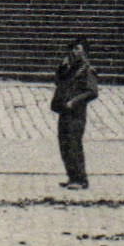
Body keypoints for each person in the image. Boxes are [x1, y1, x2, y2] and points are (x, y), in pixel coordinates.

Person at [50, 36, 98, 190]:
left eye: (78, 49)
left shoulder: (87, 69)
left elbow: (92, 92)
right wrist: (62, 68)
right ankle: (72, 176)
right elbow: (58, 81)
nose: (75, 52)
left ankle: (81, 179)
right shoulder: (70, 68)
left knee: (74, 144)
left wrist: (74, 102)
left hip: (76, 112)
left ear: (84, 52)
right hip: (64, 110)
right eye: (73, 48)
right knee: (64, 144)